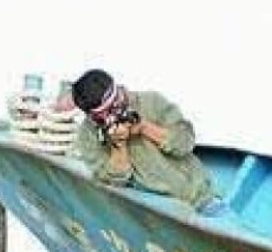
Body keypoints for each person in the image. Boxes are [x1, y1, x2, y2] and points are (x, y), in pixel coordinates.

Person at [71, 69, 224, 214]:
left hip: (197, 199)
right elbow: (115, 184)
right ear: (92, 116)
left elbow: (184, 144)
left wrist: (145, 128)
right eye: (105, 113)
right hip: (145, 212)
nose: (115, 113)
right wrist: (118, 145)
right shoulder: (87, 135)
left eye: (116, 103)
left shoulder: (152, 101)